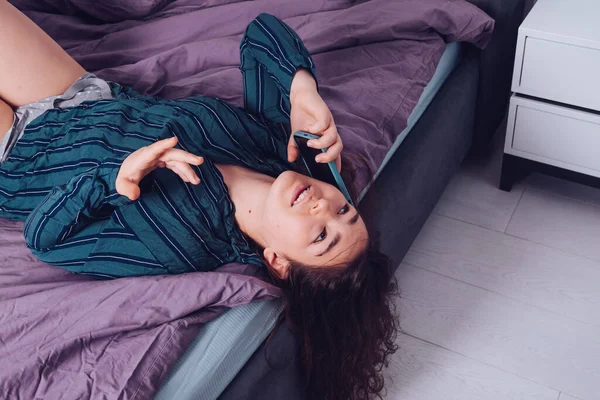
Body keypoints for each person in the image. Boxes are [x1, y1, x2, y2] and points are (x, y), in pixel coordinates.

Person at [0, 2, 399, 399]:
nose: (323, 207)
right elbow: (262, 34)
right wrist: (302, 91)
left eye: (320, 236)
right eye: (344, 210)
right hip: (81, 96)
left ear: (276, 261)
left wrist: (115, 179)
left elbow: (46, 240)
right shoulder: (283, 150)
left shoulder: (181, 242)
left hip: (17, 159)